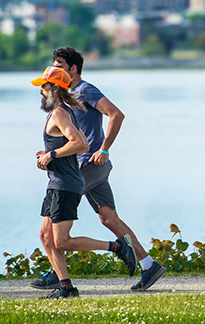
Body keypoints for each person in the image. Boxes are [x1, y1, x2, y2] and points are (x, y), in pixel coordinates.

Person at [33, 47, 164, 292]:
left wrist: (103, 149)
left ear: (73, 69)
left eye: (59, 66)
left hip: (87, 164)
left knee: (52, 228)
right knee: (108, 218)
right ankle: (148, 265)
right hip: (84, 164)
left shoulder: (85, 91)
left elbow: (117, 114)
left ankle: (58, 274)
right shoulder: (64, 99)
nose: (54, 70)